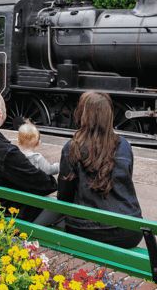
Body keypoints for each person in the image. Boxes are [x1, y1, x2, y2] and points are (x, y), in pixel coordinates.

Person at [57, 91, 143, 248]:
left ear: (83, 114)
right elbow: (126, 184)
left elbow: (64, 197)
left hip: (86, 230)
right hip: (130, 231)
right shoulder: (124, 146)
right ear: (109, 115)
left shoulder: (71, 148)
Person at [0, 87, 57, 221]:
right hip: (6, 214)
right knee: (60, 204)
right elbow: (44, 185)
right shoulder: (6, 151)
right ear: (0, 112)